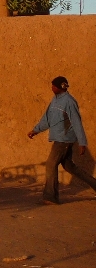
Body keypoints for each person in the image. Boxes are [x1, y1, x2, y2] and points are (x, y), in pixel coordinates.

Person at [28, 76, 96, 204]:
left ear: (61, 87)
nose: (52, 87)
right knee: (70, 167)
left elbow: (76, 122)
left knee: (50, 164)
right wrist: (35, 130)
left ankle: (50, 197)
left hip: (64, 140)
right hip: (59, 138)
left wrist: (82, 142)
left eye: (54, 86)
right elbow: (46, 119)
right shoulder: (54, 101)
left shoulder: (69, 102)